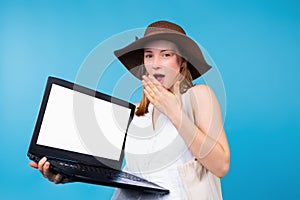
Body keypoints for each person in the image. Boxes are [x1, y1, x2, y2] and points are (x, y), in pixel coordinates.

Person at [30, 20, 230, 199]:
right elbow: (113, 172)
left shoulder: (198, 95)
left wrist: (174, 112)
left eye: (166, 54)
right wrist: (65, 174)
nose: (156, 64)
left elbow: (220, 166)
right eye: (149, 55)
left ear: (181, 62)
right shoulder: (134, 112)